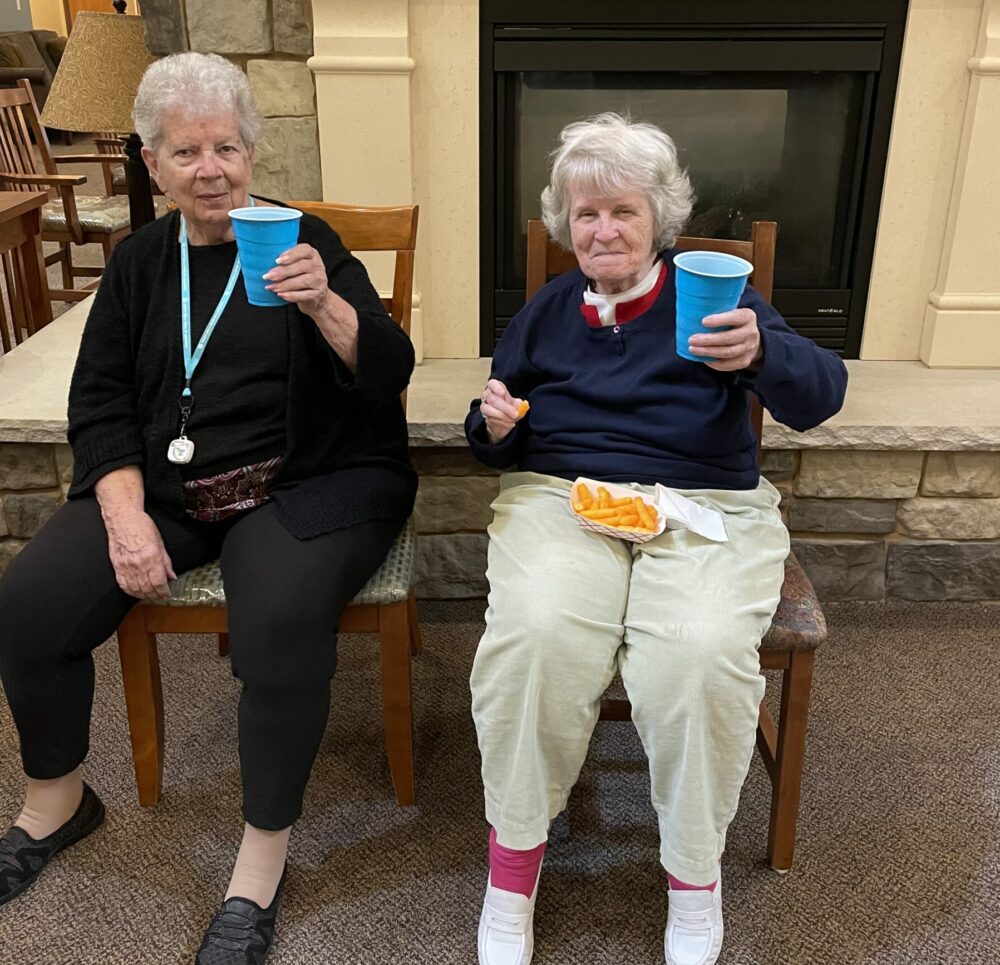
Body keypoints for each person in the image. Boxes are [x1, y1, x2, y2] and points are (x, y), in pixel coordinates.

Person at [0, 52, 415, 964]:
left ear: (251, 152)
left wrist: (327, 310)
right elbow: (100, 404)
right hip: (172, 487)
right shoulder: (142, 262)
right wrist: (124, 514)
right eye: (185, 152)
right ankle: (56, 801)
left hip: (309, 478)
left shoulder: (307, 241)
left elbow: (389, 372)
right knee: (29, 601)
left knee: (274, 619)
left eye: (225, 146)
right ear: (152, 165)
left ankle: (259, 863)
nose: (210, 169)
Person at [466, 113, 847, 965]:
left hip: (704, 501)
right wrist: (493, 425)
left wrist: (761, 356)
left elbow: (820, 398)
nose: (603, 229)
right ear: (567, 224)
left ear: (658, 220)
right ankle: (511, 871)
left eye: (623, 211)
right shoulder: (548, 310)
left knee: (701, 652)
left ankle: (692, 879)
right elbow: (494, 426)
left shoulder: (721, 298)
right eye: (586, 212)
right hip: (564, 496)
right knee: (535, 636)